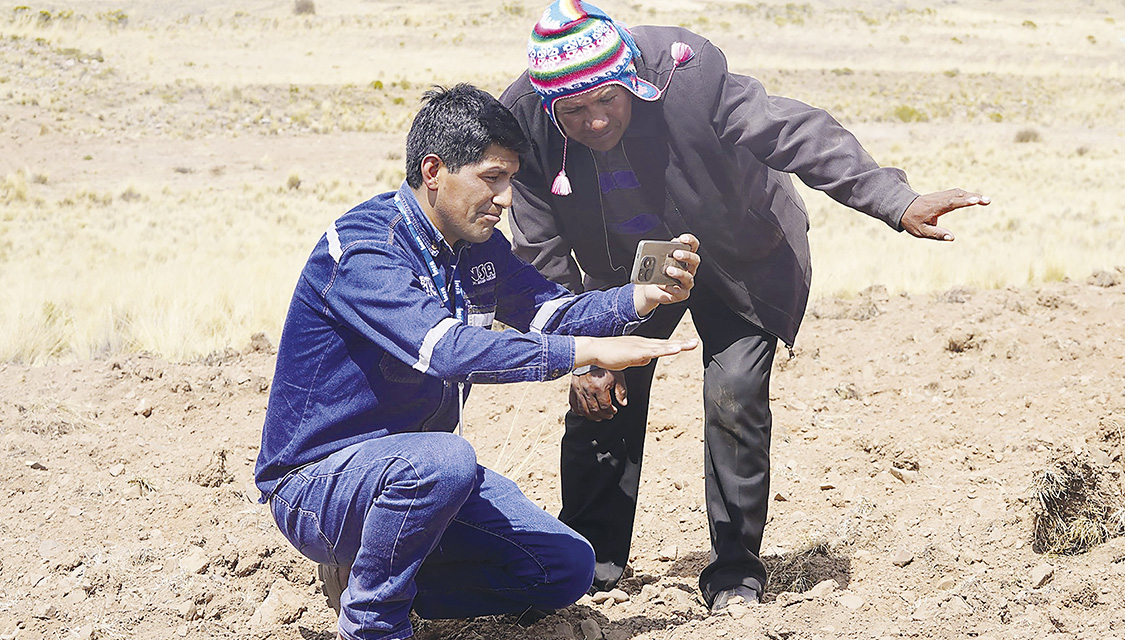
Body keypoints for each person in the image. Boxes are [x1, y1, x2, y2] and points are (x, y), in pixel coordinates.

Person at [499, 0, 991, 610]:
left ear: (631, 81)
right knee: (603, 393)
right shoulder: (524, 124)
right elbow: (539, 246)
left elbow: (795, 132)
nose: (595, 121)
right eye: (574, 111)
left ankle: (735, 572)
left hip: (737, 251)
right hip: (633, 269)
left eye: (608, 100)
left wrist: (894, 199)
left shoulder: (690, 79)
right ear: (550, 106)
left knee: (734, 395)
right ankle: (591, 566)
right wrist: (579, 349)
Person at [253, 83, 702, 640]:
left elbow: (550, 312)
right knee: (446, 461)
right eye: (492, 178)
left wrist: (638, 298)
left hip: (415, 476)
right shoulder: (365, 249)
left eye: (511, 180)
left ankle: (367, 575)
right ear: (435, 170)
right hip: (320, 488)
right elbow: (447, 351)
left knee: (566, 568)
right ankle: (373, 622)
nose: (506, 198)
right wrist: (584, 352)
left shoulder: (476, 246)